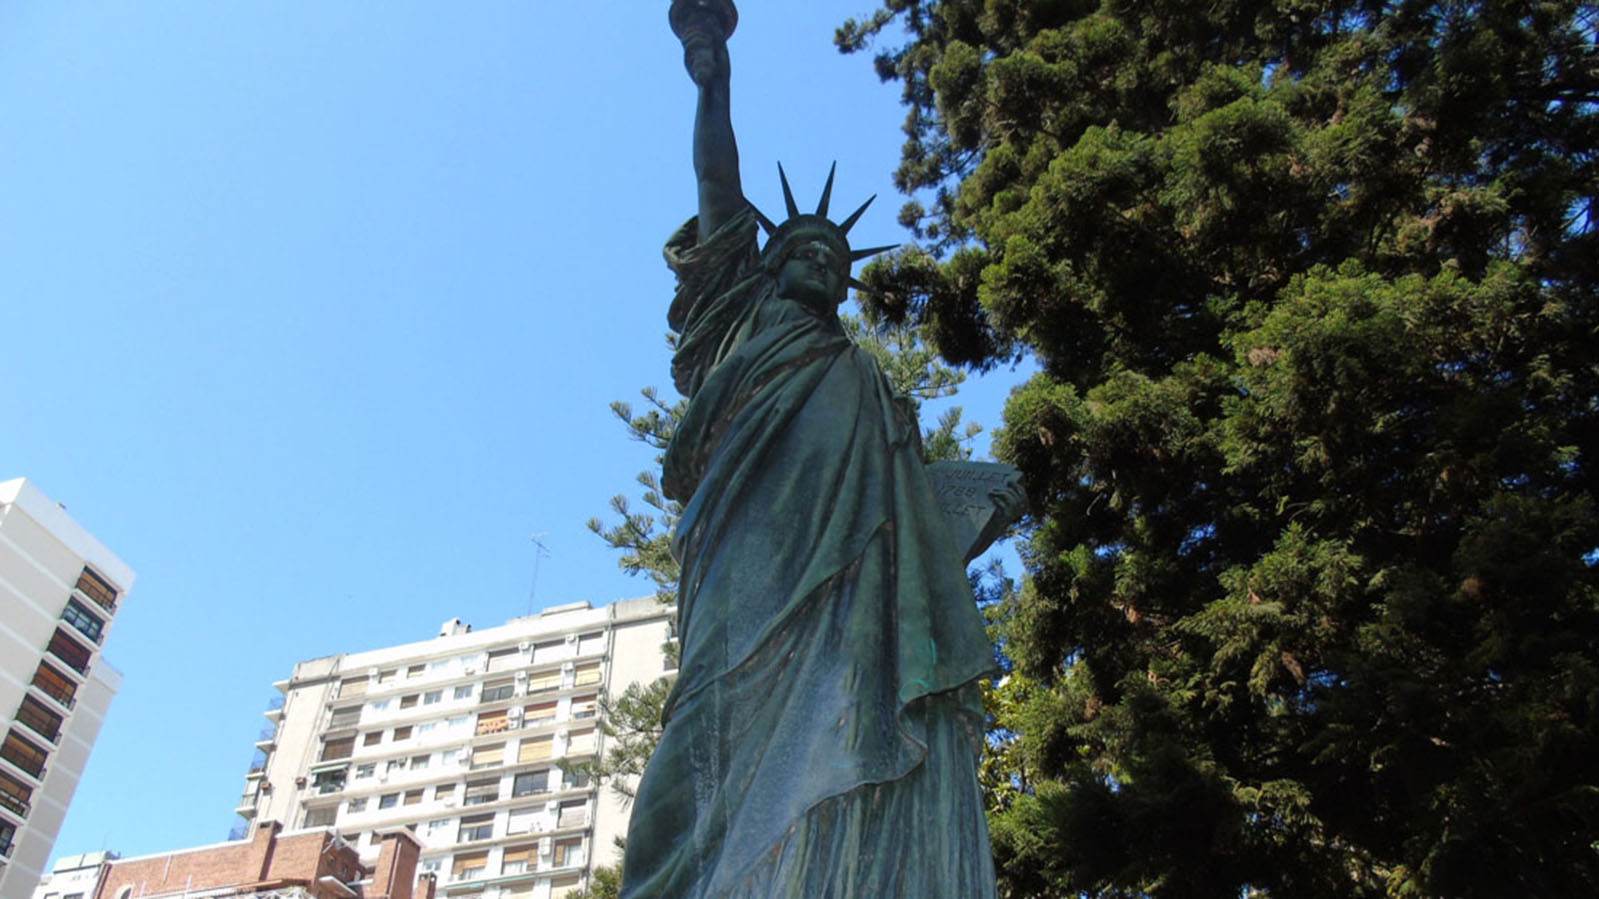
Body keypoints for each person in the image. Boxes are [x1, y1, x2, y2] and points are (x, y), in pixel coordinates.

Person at [618, 4, 1024, 895]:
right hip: (747, 559)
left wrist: (979, 497)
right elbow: (718, 188)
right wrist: (712, 71)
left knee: (851, 726)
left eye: (839, 266)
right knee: (704, 732)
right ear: (766, 265)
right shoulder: (741, 319)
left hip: (855, 592)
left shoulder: (871, 383)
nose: (825, 266)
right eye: (806, 249)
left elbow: (916, 512)